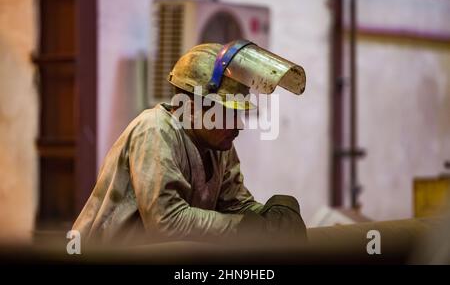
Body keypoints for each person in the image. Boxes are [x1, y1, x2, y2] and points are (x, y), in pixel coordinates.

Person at [73, 40, 307, 247]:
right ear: (192, 107)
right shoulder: (155, 131)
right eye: (228, 113)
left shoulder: (219, 146)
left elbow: (235, 207)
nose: (238, 125)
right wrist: (246, 227)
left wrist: (272, 214)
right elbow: (166, 221)